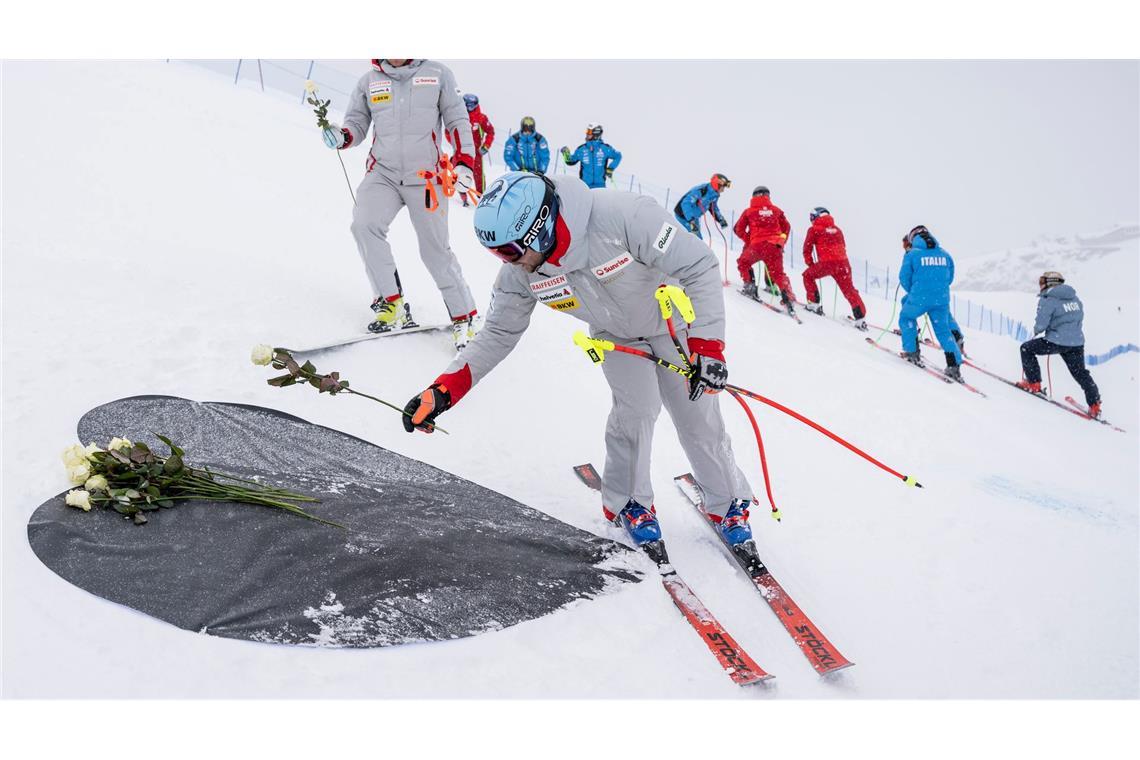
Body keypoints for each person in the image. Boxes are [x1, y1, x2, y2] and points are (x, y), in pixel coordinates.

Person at [401, 171, 756, 549]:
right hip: (616, 338)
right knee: (634, 414)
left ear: (537, 229)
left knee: (697, 417)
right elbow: (498, 333)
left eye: (509, 251)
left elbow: (698, 264)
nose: (508, 262)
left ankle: (727, 501)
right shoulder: (522, 274)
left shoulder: (625, 215)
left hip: (674, 325)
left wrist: (709, 346)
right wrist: (444, 390)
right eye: (498, 253)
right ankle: (630, 502)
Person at [322, 58, 480, 349]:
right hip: (384, 173)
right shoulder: (369, 81)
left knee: (435, 251)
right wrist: (342, 136)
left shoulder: (437, 74)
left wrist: (464, 164)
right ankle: (391, 302)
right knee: (364, 225)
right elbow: (356, 123)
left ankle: (465, 318)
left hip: (427, 176)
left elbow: (458, 122)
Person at [1015, 272, 1102, 417]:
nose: (1040, 285)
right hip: (1076, 342)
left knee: (1026, 348)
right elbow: (1078, 318)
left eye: (1042, 281)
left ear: (1051, 282)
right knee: (1080, 372)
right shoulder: (1075, 298)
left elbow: (1041, 324)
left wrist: (1038, 330)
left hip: (1056, 341)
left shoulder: (1048, 299)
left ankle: (1034, 383)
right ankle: (1094, 404)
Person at [897, 225, 963, 381]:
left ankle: (912, 351)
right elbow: (950, 277)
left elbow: (904, 278)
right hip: (941, 299)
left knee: (906, 317)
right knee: (943, 330)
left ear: (913, 238)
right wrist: (937, 288)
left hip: (919, 297)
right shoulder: (945, 255)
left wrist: (916, 290)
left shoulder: (912, 254)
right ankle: (954, 365)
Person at [801, 207, 867, 329]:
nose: (811, 221)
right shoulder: (838, 229)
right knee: (849, 290)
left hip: (827, 264)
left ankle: (814, 304)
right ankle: (860, 317)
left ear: (816, 217)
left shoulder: (813, 229)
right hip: (843, 264)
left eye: (811, 218)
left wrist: (811, 264)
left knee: (807, 276)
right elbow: (843, 246)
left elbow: (807, 249)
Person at [733, 185, 796, 313]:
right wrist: (781, 241)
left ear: (754, 196)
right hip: (775, 246)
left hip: (757, 246)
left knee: (743, 262)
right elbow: (787, 227)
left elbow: (738, 229)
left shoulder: (749, 211)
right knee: (778, 274)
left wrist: (749, 239)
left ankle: (750, 287)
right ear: (768, 196)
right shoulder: (776, 210)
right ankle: (788, 298)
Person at [447, 93, 495, 206]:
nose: (469, 109)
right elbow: (448, 132)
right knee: (460, 174)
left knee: (478, 176)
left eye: (471, 106)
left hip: (476, 153)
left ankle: (481, 197)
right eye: (466, 106)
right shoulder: (457, 117)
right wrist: (455, 144)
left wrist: (486, 146)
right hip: (461, 152)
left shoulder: (481, 118)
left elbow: (490, 132)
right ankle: (463, 197)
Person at [559, 124, 621, 189]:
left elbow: (618, 156)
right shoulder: (581, 149)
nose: (587, 134)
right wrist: (566, 153)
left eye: (589, 132)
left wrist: (610, 168)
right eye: (587, 131)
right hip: (585, 186)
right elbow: (571, 161)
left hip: (600, 187)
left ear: (596, 134)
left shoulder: (605, 149)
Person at [676, 174, 731, 241]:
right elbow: (686, 204)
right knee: (694, 240)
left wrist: (721, 219)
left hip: (694, 218)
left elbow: (713, 207)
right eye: (723, 187)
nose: (723, 190)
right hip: (684, 216)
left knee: (698, 240)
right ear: (717, 184)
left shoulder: (714, 195)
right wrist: (691, 221)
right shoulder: (701, 190)